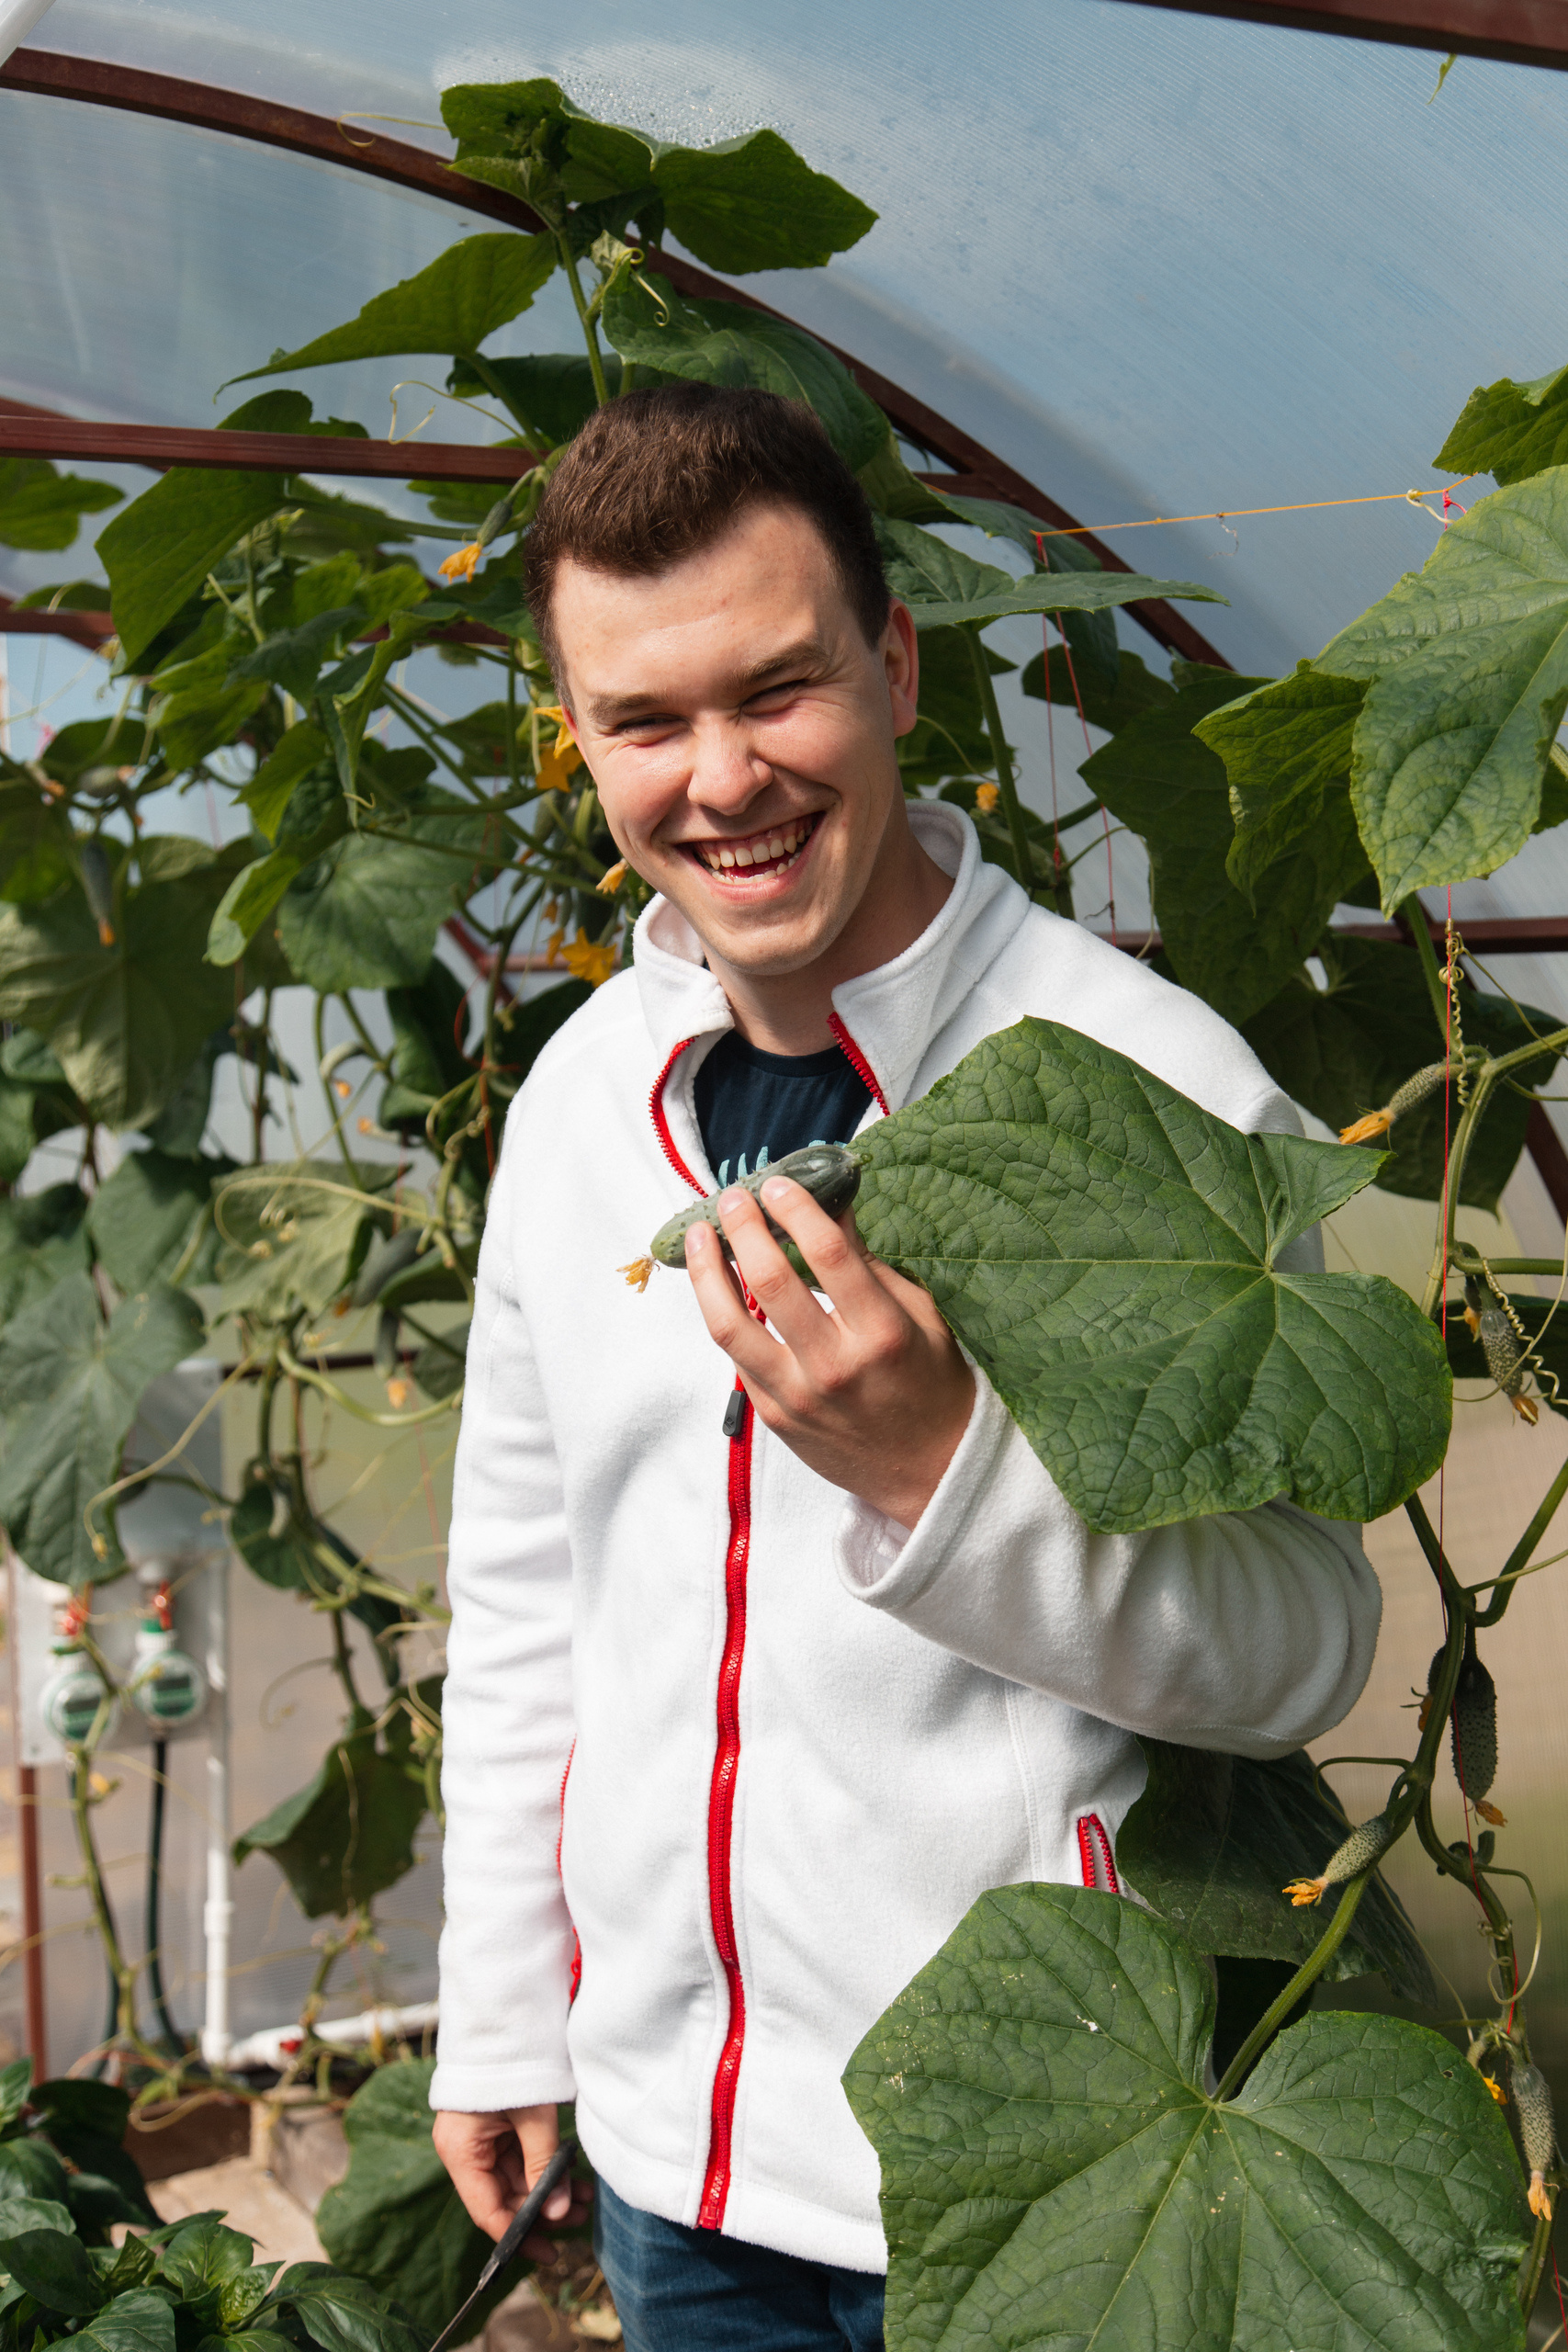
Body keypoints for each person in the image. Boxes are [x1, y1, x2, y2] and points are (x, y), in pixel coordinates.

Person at [429, 384, 1382, 2352]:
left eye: (777, 690)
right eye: (643, 721)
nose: (720, 779)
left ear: (894, 662)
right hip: (670, 2167)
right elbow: (529, 1601)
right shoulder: (581, 1103)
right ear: (579, 737)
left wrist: (934, 1459)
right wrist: (506, 2010)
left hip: (1044, 2183)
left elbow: (1306, 1645)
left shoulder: (1154, 1086)